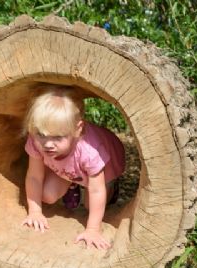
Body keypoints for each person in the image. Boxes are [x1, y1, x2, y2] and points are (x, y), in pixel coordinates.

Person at [21, 85, 125, 249]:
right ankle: (72, 182)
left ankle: (112, 186)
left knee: (92, 205)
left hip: (106, 164)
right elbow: (34, 176)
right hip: (69, 167)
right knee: (47, 195)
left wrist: (93, 229)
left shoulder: (90, 152)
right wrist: (35, 212)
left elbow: (97, 190)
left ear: (78, 129)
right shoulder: (37, 141)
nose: (48, 144)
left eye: (58, 137)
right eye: (41, 134)